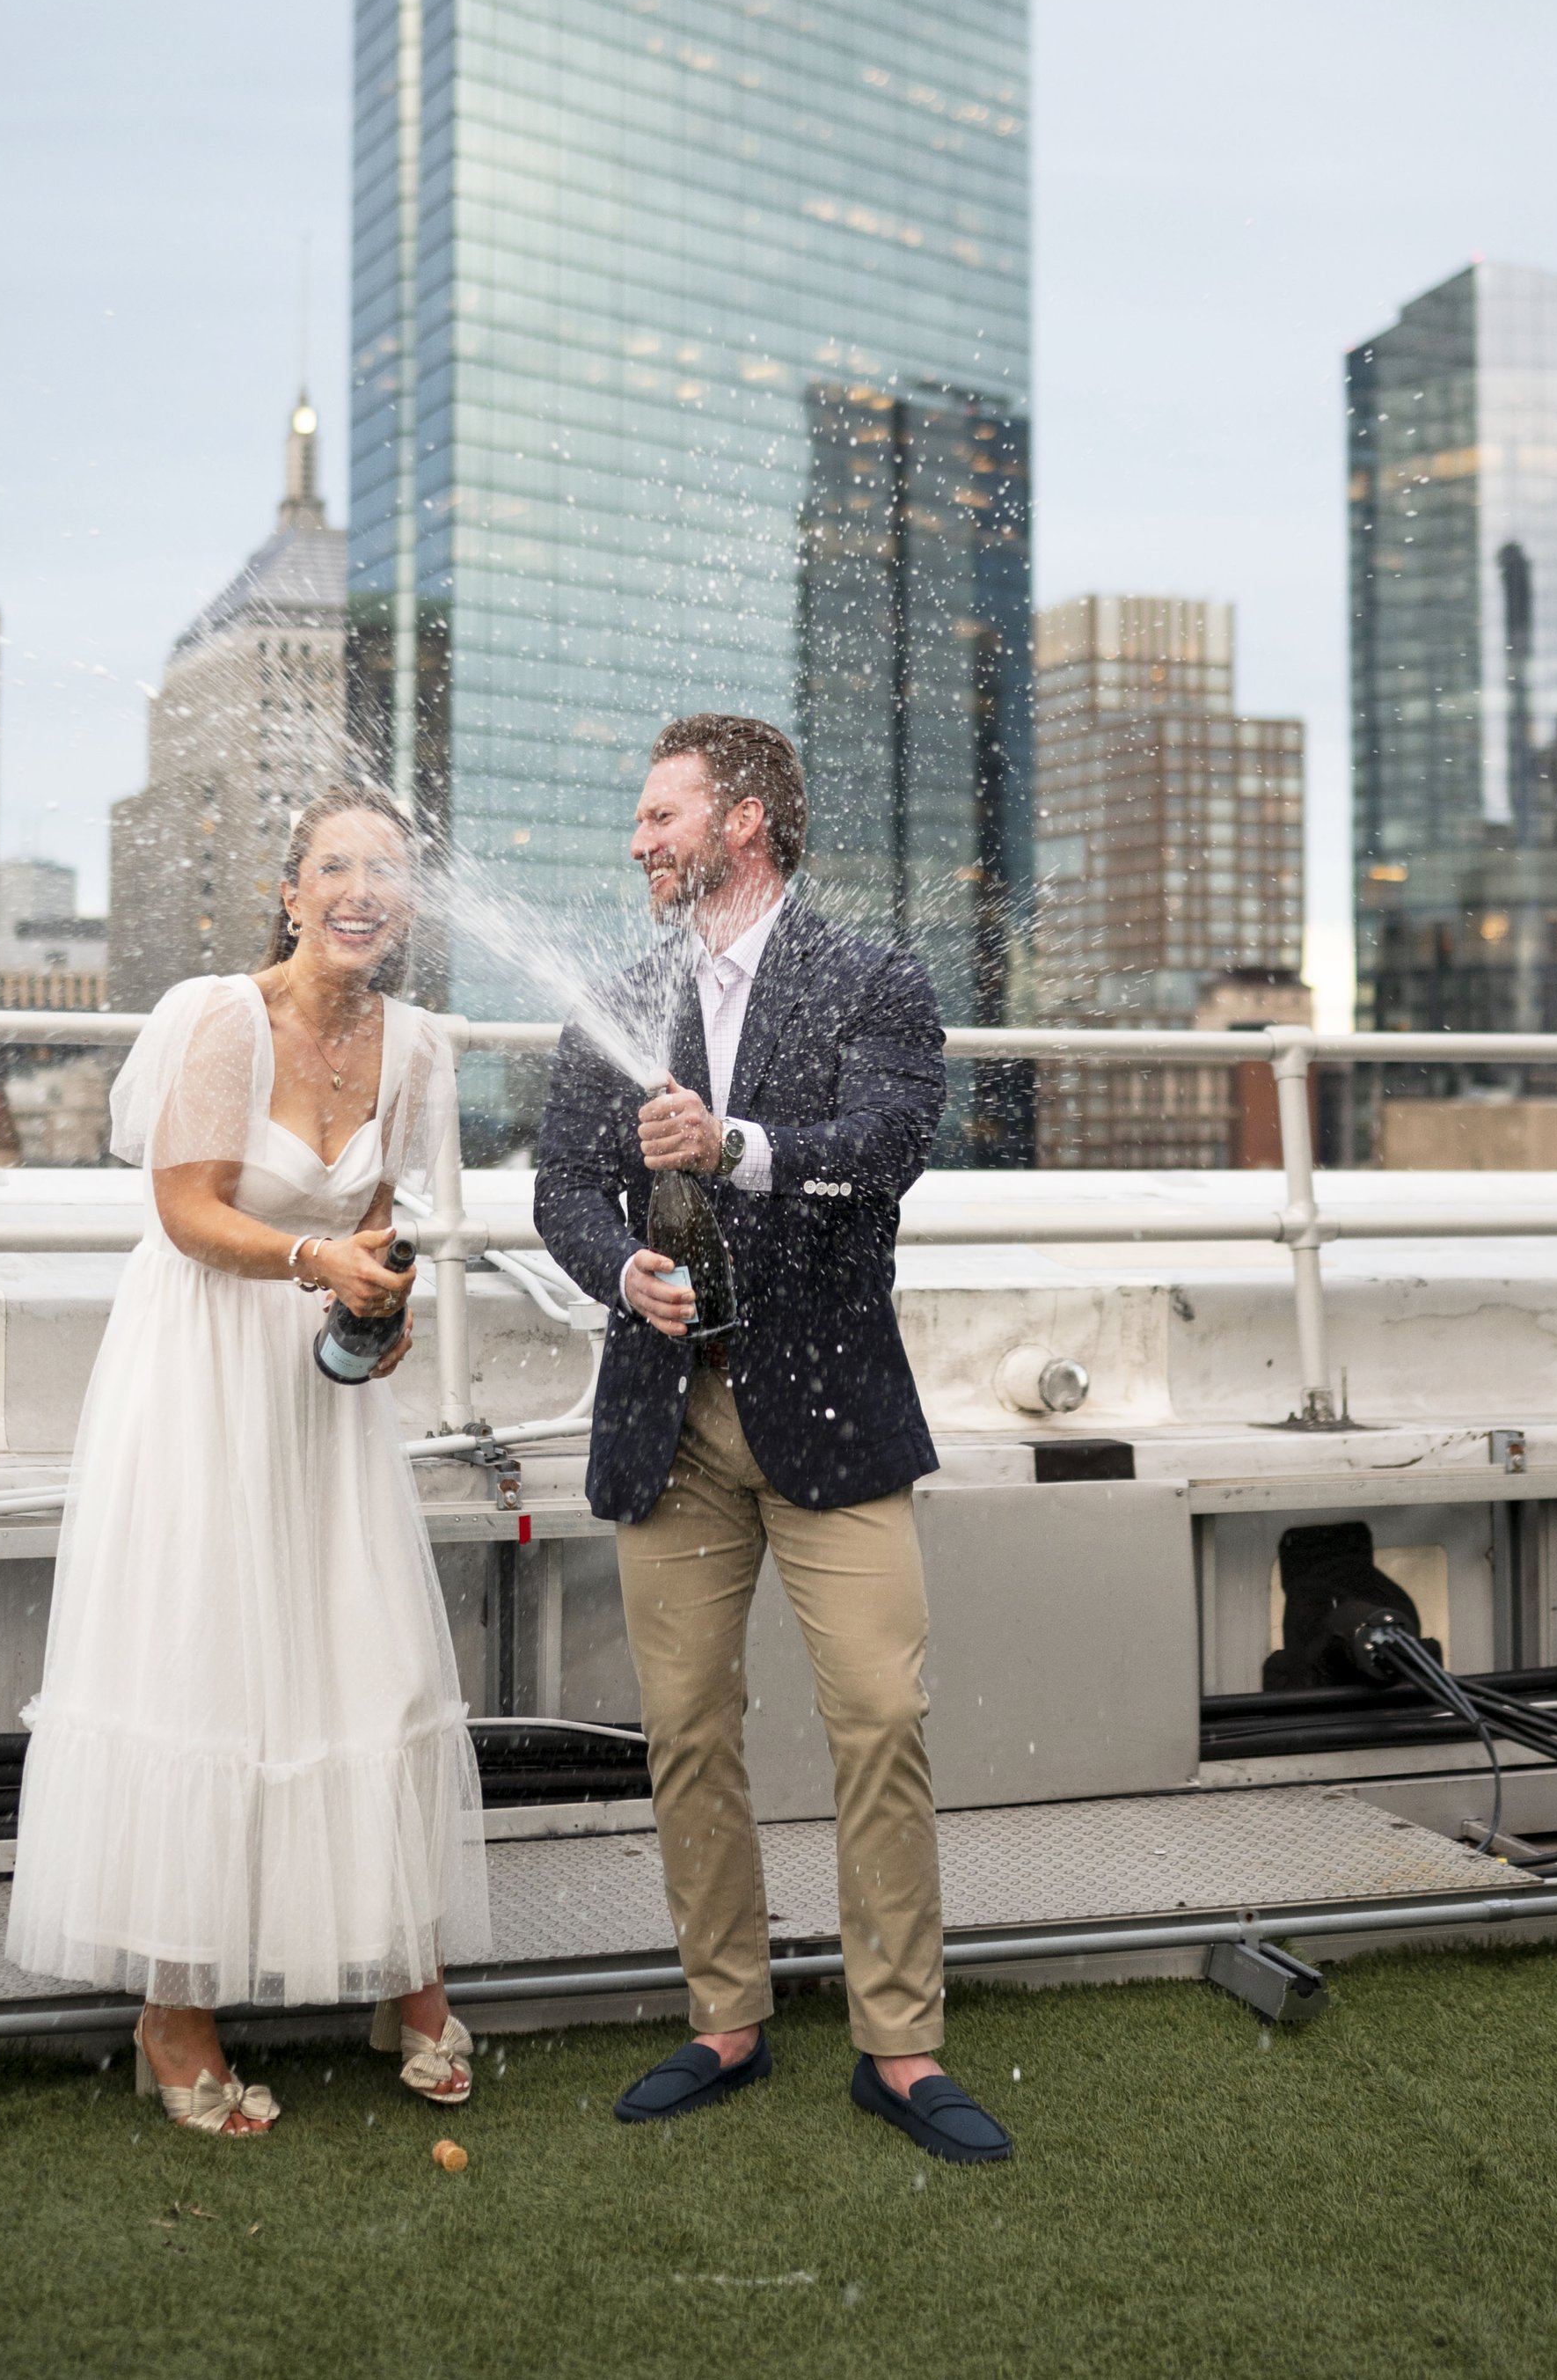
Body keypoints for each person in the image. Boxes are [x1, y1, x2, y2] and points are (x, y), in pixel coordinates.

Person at [532, 714, 1014, 2165]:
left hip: (832, 1412)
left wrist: (731, 1142)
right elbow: (561, 1185)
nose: (639, 840)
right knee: (687, 1730)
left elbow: (885, 1147)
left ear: (742, 821)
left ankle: (901, 2045)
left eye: (660, 812)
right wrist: (621, 1266)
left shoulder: (873, 977)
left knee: (881, 1718)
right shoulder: (614, 995)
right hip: (664, 1420)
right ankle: (726, 2014)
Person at [6, 779, 487, 2135]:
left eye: (386, 873)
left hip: (316, 1393)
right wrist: (309, 1257)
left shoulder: (416, 1049)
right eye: (335, 867)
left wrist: (377, 1308)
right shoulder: (220, 1017)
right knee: (208, 1657)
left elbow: (380, 1224)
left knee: (363, 1649)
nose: (361, 891)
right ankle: (177, 2013)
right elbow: (184, 1209)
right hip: (203, 1369)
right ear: (291, 893)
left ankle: (409, 1978)